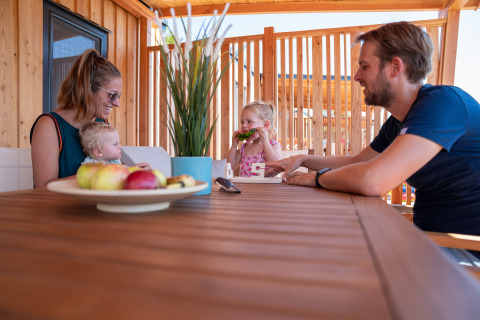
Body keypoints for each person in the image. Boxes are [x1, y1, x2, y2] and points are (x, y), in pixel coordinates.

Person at [266, 21, 480, 259]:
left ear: (395, 67)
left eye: (364, 66)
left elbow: (372, 180)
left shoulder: (444, 104)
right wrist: (303, 159)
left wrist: (317, 178)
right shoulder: (399, 122)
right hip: (427, 241)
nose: (357, 76)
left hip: (464, 251)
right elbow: (358, 161)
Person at [30, 49, 122, 188]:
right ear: (88, 89)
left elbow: (112, 167)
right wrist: (100, 172)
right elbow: (43, 187)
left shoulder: (101, 123)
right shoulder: (49, 125)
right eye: (112, 95)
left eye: (118, 96)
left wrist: (133, 171)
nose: (117, 103)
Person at [227, 101, 282, 177]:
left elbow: (277, 165)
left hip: (265, 187)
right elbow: (232, 165)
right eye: (242, 122)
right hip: (246, 187)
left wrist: (265, 142)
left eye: (249, 122)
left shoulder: (273, 145)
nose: (244, 126)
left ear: (265, 125)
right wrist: (233, 146)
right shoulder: (245, 147)